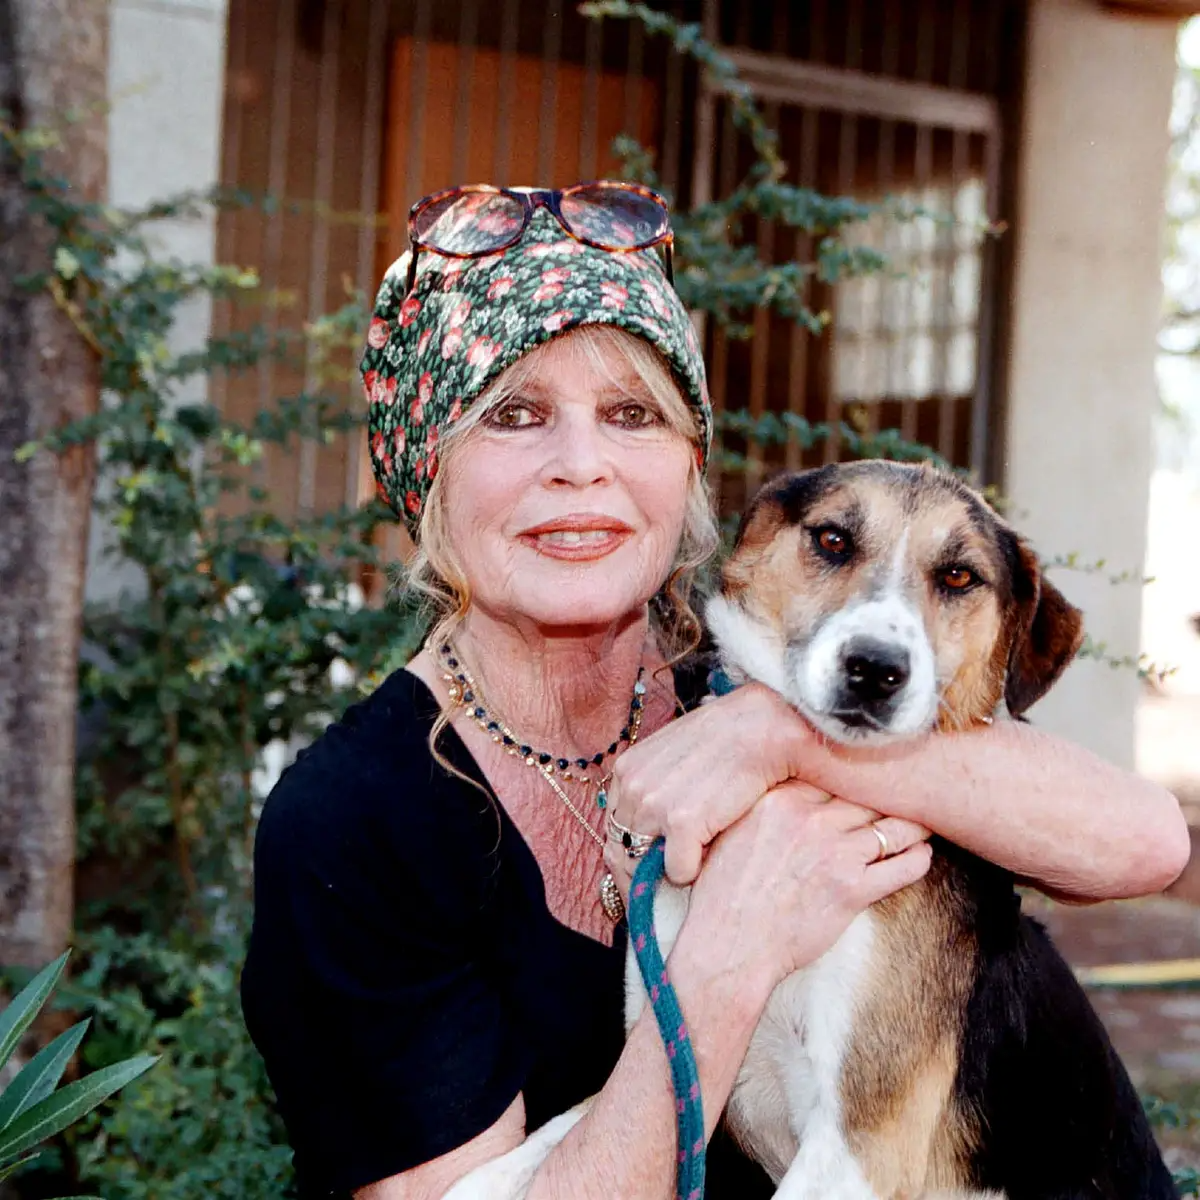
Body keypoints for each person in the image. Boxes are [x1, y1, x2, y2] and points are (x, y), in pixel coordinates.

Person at [240, 182, 1189, 1200]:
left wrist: (781, 740)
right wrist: (725, 962)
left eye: (630, 415)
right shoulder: (354, 823)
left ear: (690, 466)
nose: (582, 466)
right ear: (424, 469)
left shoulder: (756, 688)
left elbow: (1144, 843)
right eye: (512, 415)